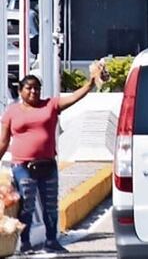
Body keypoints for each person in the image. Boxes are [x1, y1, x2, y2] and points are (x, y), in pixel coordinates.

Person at [0, 61, 104, 254]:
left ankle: (51, 241)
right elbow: (3, 141)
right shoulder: (11, 112)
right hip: (22, 165)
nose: (33, 92)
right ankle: (25, 242)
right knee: (27, 201)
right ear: (20, 90)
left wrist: (90, 84)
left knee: (50, 205)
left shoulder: (51, 105)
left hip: (47, 164)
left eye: (37, 89)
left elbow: (73, 97)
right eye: (29, 89)